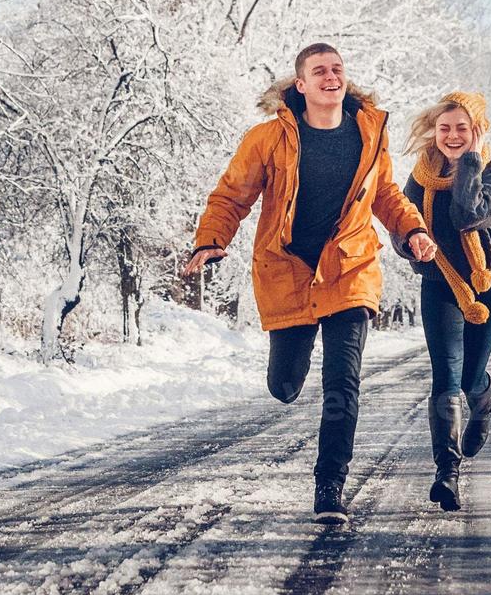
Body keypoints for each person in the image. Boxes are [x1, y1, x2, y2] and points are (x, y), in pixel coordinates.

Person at [182, 44, 437, 524]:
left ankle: (330, 486)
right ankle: (289, 381)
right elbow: (232, 193)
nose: (331, 76)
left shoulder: (368, 132)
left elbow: (384, 193)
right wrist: (211, 239)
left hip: (349, 268)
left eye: (337, 69)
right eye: (319, 70)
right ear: (300, 84)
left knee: (343, 380)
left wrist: (414, 229)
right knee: (284, 385)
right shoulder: (268, 137)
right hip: (289, 270)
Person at [396, 92, 491, 512]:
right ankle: (447, 472)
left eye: (462, 128)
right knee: (444, 375)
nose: (452, 136)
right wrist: (412, 243)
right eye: (444, 128)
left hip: (487, 282)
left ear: (477, 129)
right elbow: (402, 222)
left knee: (468, 376)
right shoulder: (421, 175)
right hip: (439, 282)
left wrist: (471, 163)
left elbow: (469, 213)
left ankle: (483, 401)